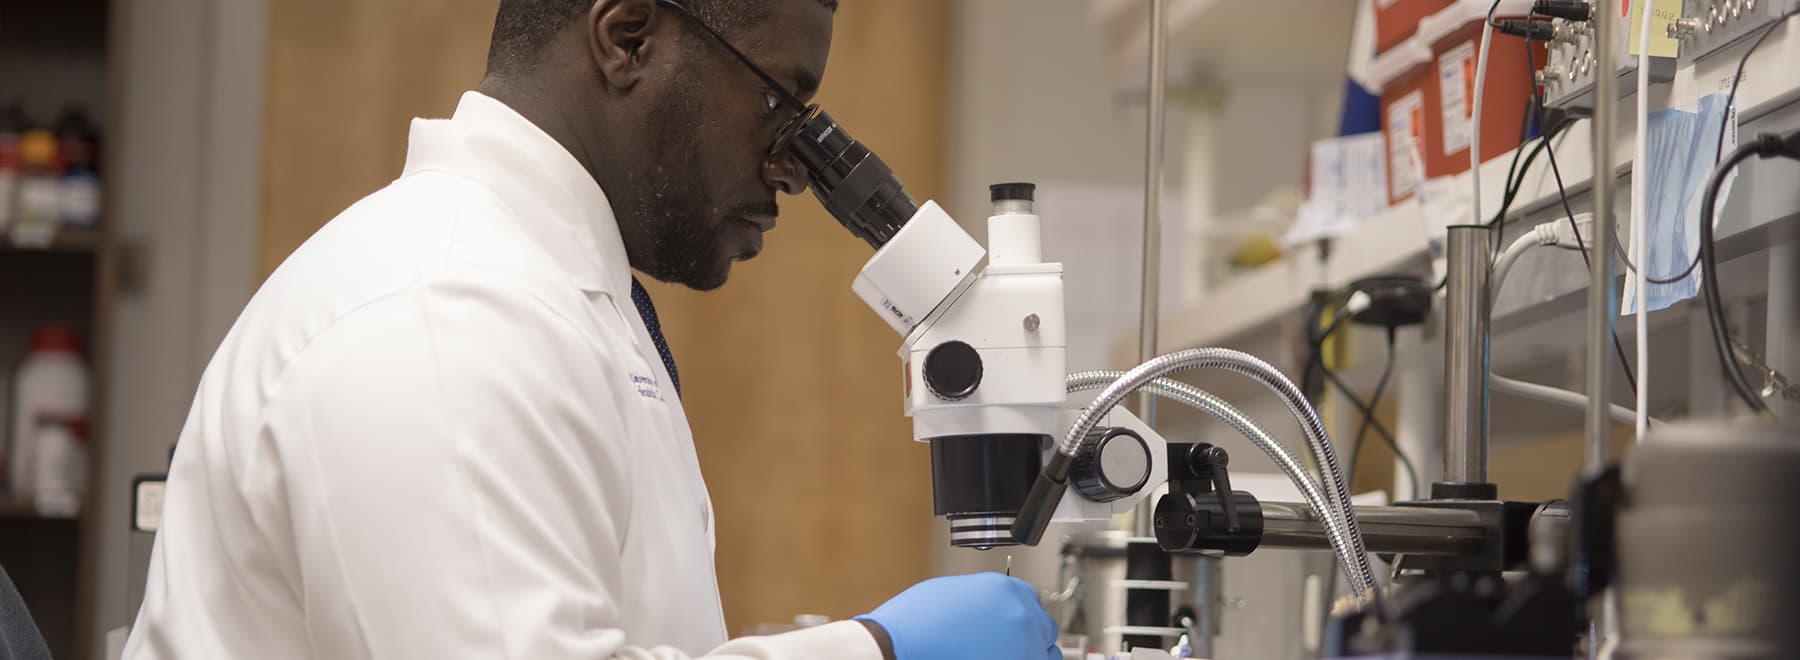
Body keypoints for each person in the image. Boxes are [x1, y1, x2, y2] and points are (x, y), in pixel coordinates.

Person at [122, 1, 1060, 659]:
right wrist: (873, 652)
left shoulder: (562, 299)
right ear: (628, 38)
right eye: (780, 98)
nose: (795, 168)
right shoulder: (445, 313)